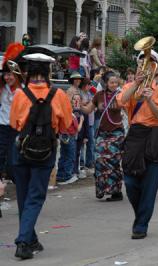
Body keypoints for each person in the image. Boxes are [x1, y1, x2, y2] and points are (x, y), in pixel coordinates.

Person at [10, 53, 72, 260]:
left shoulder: (20, 94)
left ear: (29, 73)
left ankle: (31, 239)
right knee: (35, 197)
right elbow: (66, 126)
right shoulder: (59, 95)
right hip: (46, 151)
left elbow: (13, 124)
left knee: (24, 196)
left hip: (21, 149)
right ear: (48, 73)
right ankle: (23, 242)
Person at [117, 49, 158, 239]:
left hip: (153, 136)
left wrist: (149, 99)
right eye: (141, 63)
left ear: (156, 68)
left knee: (149, 187)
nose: (143, 66)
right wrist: (136, 83)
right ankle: (140, 216)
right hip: (135, 136)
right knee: (130, 182)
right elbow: (120, 101)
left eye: (148, 63)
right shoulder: (130, 85)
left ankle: (141, 225)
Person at [81, 71, 125, 201]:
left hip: (117, 133)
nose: (114, 84)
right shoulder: (99, 95)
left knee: (113, 162)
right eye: (111, 82)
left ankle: (116, 192)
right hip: (102, 133)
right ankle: (101, 188)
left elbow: (129, 110)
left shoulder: (120, 95)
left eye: (116, 82)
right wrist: (76, 106)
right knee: (99, 160)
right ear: (105, 83)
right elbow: (88, 110)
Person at [0, 43, 25, 183]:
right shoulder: (2, 88)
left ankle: (18, 182)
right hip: (2, 127)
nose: (7, 77)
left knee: (12, 160)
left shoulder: (23, 90)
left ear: (16, 74)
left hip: (16, 129)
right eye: (5, 74)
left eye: (10, 74)